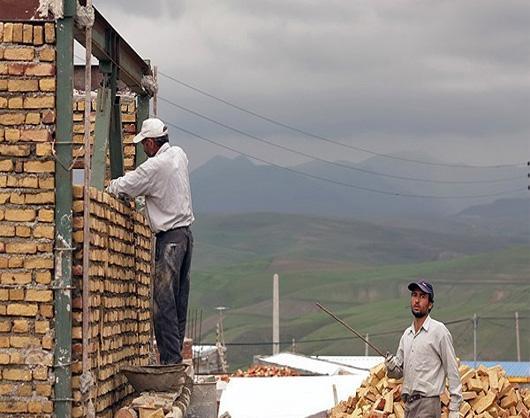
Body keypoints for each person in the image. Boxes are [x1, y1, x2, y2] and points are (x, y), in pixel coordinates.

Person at [107, 117, 194, 364]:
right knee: (178, 300)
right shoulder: (179, 155)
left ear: (153, 143)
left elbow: (125, 185)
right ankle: (174, 356)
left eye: (144, 143)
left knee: (163, 302)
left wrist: (110, 186)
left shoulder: (153, 167)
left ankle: (169, 361)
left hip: (170, 240)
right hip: (186, 236)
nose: (143, 149)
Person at [384, 280, 462, 418]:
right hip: (408, 405)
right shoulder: (407, 335)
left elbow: (452, 369)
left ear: (430, 304)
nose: (417, 300)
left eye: (422, 296)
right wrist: (391, 367)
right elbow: (398, 372)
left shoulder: (439, 331)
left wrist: (454, 408)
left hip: (428, 405)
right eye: (414, 295)